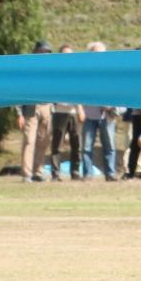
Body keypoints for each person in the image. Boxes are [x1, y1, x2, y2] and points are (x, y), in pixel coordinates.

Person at [80, 43, 118, 183]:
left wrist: (112, 107)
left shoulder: (110, 72)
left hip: (106, 115)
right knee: (86, 146)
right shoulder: (85, 72)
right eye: (95, 53)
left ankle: (111, 173)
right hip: (89, 113)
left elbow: (116, 91)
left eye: (101, 53)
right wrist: (80, 109)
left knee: (110, 146)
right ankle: (87, 174)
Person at [17, 40, 54, 184]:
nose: (45, 54)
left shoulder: (51, 69)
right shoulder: (28, 68)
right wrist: (19, 113)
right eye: (42, 51)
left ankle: (38, 171)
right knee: (29, 141)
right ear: (36, 52)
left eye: (47, 52)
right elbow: (19, 91)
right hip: (31, 107)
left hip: (47, 106)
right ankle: (26, 173)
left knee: (43, 141)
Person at [47, 46, 82, 180]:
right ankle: (55, 173)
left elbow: (79, 91)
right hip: (59, 112)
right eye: (65, 54)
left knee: (76, 143)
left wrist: (80, 109)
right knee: (57, 144)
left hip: (73, 112)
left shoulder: (75, 72)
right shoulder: (56, 72)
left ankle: (75, 171)